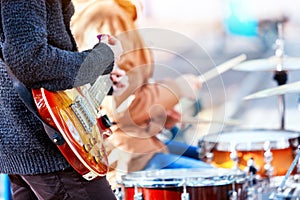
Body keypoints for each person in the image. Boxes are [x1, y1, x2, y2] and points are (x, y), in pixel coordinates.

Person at [71, 0, 213, 188]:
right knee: (218, 179)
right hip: (127, 155)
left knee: (212, 159)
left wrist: (157, 114)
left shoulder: (108, 10)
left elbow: (128, 92)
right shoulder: (106, 13)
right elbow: (119, 107)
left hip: (136, 144)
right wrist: (177, 88)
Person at [0, 0, 127, 199]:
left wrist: (98, 78)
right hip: (49, 143)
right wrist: (102, 58)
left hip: (35, 140)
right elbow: (30, 62)